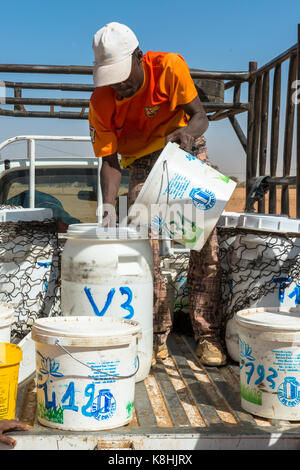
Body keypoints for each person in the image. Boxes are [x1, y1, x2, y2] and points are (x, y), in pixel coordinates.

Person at [89, 22, 227, 366]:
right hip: (141, 163)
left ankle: (208, 336)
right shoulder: (100, 101)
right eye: (111, 77)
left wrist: (185, 134)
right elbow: (109, 161)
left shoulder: (168, 67)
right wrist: (108, 206)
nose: (119, 84)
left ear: (139, 56)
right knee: (144, 254)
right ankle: (153, 338)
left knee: (204, 244)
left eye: (123, 74)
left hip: (184, 151)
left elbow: (200, 117)